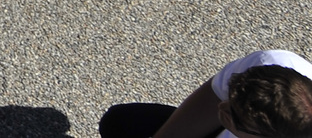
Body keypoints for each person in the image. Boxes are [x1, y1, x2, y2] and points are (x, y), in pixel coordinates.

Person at [98, 48, 312, 138]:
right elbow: (211, 99)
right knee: (120, 122)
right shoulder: (271, 63)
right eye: (232, 96)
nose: (223, 106)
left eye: (234, 115)